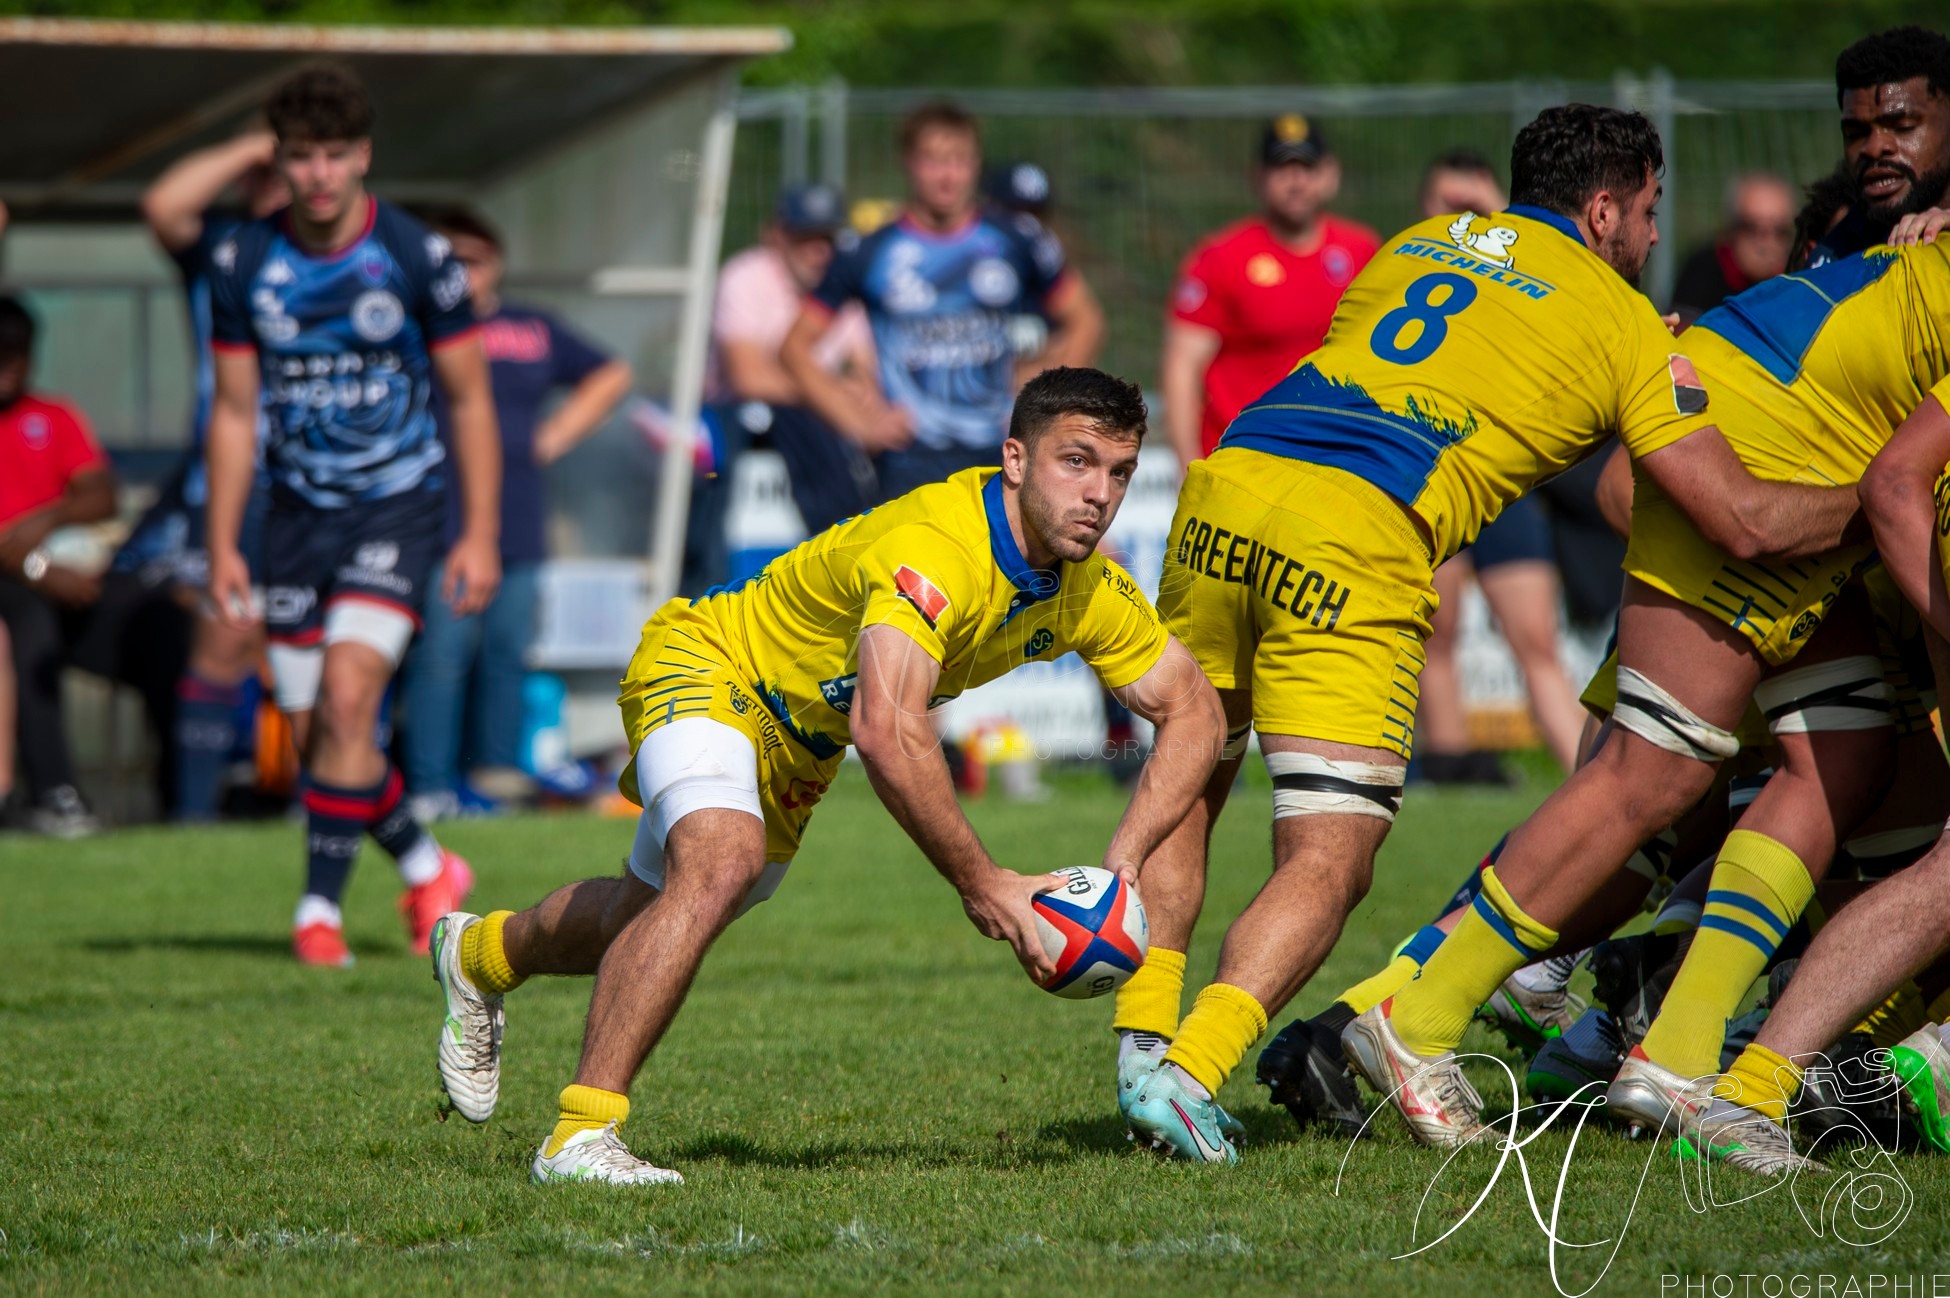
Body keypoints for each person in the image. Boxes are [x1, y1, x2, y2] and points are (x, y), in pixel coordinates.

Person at [1110, 104, 1854, 1165]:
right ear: (1603, 208)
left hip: (1231, 485)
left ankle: (1144, 1045)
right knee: (1330, 853)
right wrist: (1883, 497)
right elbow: (1738, 516)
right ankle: (1191, 1075)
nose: (1651, 236)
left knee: (1192, 775)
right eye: (1646, 211)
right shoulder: (1625, 320)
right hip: (1358, 527)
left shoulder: (1414, 243)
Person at [427, 367, 1224, 1186]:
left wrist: (1125, 862)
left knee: (647, 915)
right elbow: (887, 731)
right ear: (1016, 459)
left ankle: (480, 953)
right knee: (720, 862)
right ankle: (579, 1136)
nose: (1099, 493)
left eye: (1120, 472)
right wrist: (986, 884)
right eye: (1077, 461)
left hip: (804, 744)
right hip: (714, 663)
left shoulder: (1089, 586)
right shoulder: (939, 550)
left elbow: (1194, 710)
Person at [203, 63, 499, 967]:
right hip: (293, 521)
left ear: (363, 155)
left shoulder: (413, 254)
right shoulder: (244, 263)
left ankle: (316, 914)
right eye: (302, 157)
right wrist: (221, 542)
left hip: (398, 508)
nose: (321, 174)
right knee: (316, 739)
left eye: (336, 154)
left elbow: (471, 397)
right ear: (280, 162)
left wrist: (479, 531)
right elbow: (232, 410)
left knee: (347, 698)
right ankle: (429, 865)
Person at [400, 208, 633, 821]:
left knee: (507, 652)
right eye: (449, 260)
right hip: (441, 524)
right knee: (442, 657)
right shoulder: (411, 326)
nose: (463, 272)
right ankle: (429, 788)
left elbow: (610, 373)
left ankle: (495, 781)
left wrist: (556, 434)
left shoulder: (529, 327)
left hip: (521, 522)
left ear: (496, 263)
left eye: (473, 259)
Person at [781, 101, 1105, 501]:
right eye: (934, 161)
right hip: (909, 459)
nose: (948, 176)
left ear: (976, 165)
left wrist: (1041, 401)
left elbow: (1085, 320)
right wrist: (858, 423)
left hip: (1000, 451)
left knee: (1005, 565)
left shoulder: (1016, 239)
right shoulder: (869, 251)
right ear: (909, 163)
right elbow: (795, 347)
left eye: (960, 161)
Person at [1408, 149, 1587, 779]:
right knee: (1438, 634)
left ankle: (1585, 782)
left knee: (1537, 640)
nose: (1464, 221)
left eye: (1476, 208)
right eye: (1448, 206)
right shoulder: (1407, 271)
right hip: (1432, 474)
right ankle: (1451, 770)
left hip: (1504, 484)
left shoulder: (1528, 281)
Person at [129, 126, 291, 822]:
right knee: (224, 638)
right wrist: (255, 146)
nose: (282, 178)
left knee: (319, 647)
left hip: (325, 484)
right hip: (232, 482)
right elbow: (164, 205)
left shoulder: (359, 253)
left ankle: (318, 809)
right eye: (279, 166)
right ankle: (193, 821)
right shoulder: (222, 246)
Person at [0, 295, 195, 836]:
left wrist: (44, 523)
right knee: (28, 628)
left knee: (160, 622)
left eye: (17, 354)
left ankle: (188, 797)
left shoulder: (54, 416)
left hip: (66, 578)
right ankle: (55, 793)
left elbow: (100, 494)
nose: (8, 367)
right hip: (19, 589)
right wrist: (38, 566)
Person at [1160, 114, 1379, 468]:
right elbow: (1182, 367)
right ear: (1257, 178)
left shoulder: (1362, 251)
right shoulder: (1221, 258)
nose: (1296, 181)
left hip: (1335, 462)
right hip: (1242, 463)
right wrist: (1186, 463)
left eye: (1306, 167)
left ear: (1329, 174)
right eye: (1281, 168)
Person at [690, 182, 880, 590]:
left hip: (821, 430)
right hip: (741, 423)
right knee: (781, 416)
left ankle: (848, 562)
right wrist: (833, 392)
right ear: (777, 237)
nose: (818, 251)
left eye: (827, 238)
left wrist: (848, 396)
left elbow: (868, 378)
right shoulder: (746, 276)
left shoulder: (844, 284)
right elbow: (747, 378)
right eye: (804, 238)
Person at [1667, 172, 1797, 323]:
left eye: (1779, 231)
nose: (1766, 243)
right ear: (1732, 229)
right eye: (1751, 228)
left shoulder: (1798, 280)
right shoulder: (1702, 273)